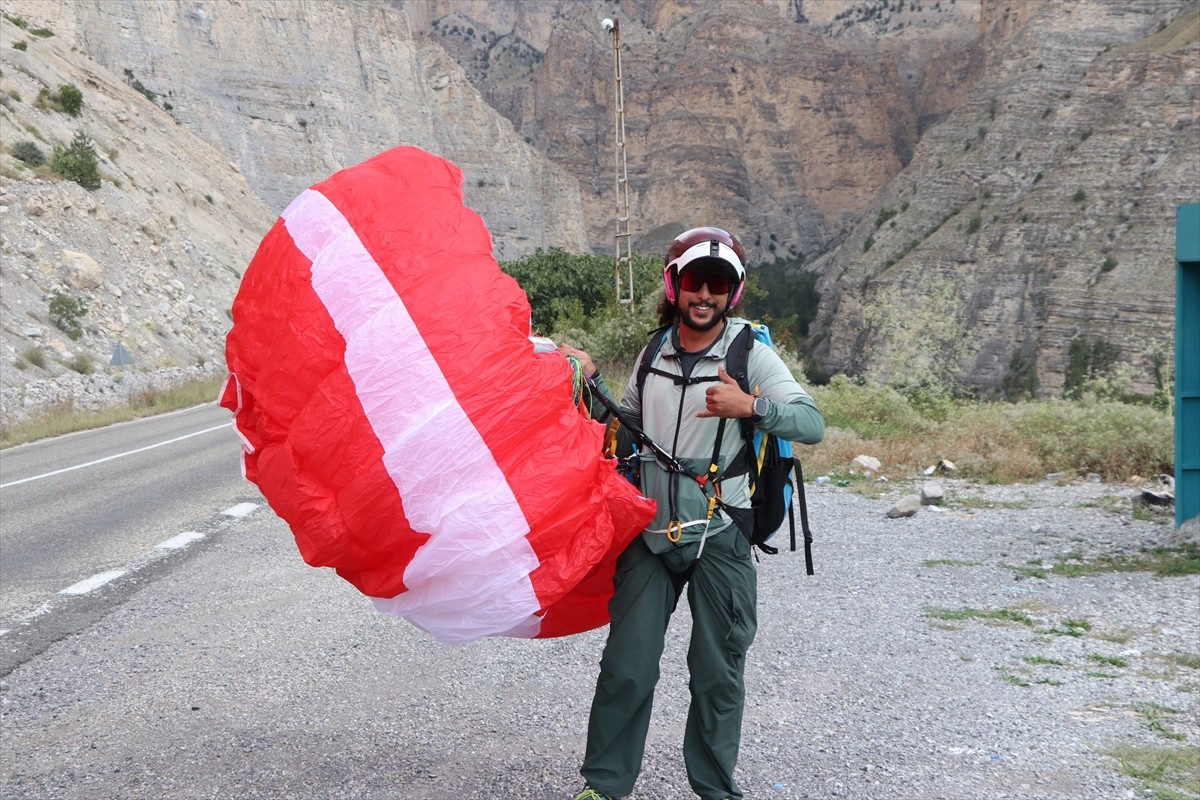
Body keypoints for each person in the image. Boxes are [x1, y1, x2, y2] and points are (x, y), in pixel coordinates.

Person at [559, 227, 825, 800]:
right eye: (694, 282)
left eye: (718, 285)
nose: (704, 294)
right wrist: (591, 380)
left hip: (721, 532)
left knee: (717, 675)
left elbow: (812, 423)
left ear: (734, 292)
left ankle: (714, 790)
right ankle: (604, 787)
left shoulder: (748, 352)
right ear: (673, 285)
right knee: (626, 668)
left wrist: (750, 405)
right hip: (650, 532)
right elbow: (627, 427)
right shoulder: (654, 350)